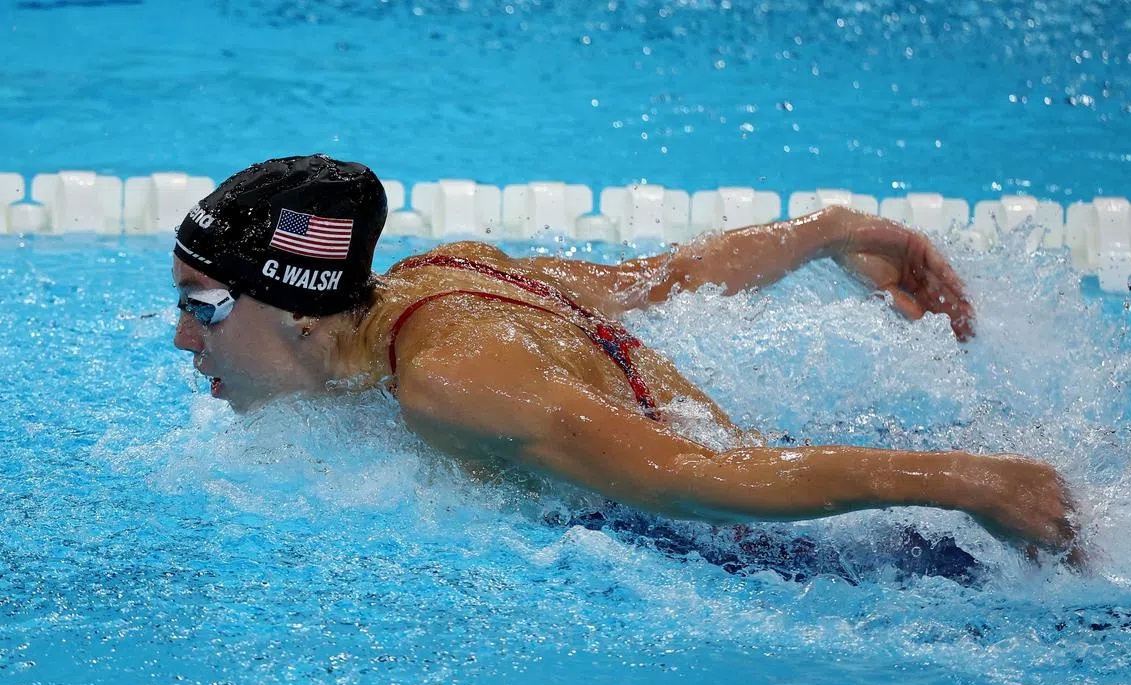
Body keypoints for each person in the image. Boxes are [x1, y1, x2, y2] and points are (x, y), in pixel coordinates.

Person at [171, 154, 1078, 561]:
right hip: (788, 485)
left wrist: (969, 481)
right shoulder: (443, 274)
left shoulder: (449, 385)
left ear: (296, 312)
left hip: (810, 552)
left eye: (203, 307)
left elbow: (694, 476)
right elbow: (664, 279)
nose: (183, 339)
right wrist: (826, 231)